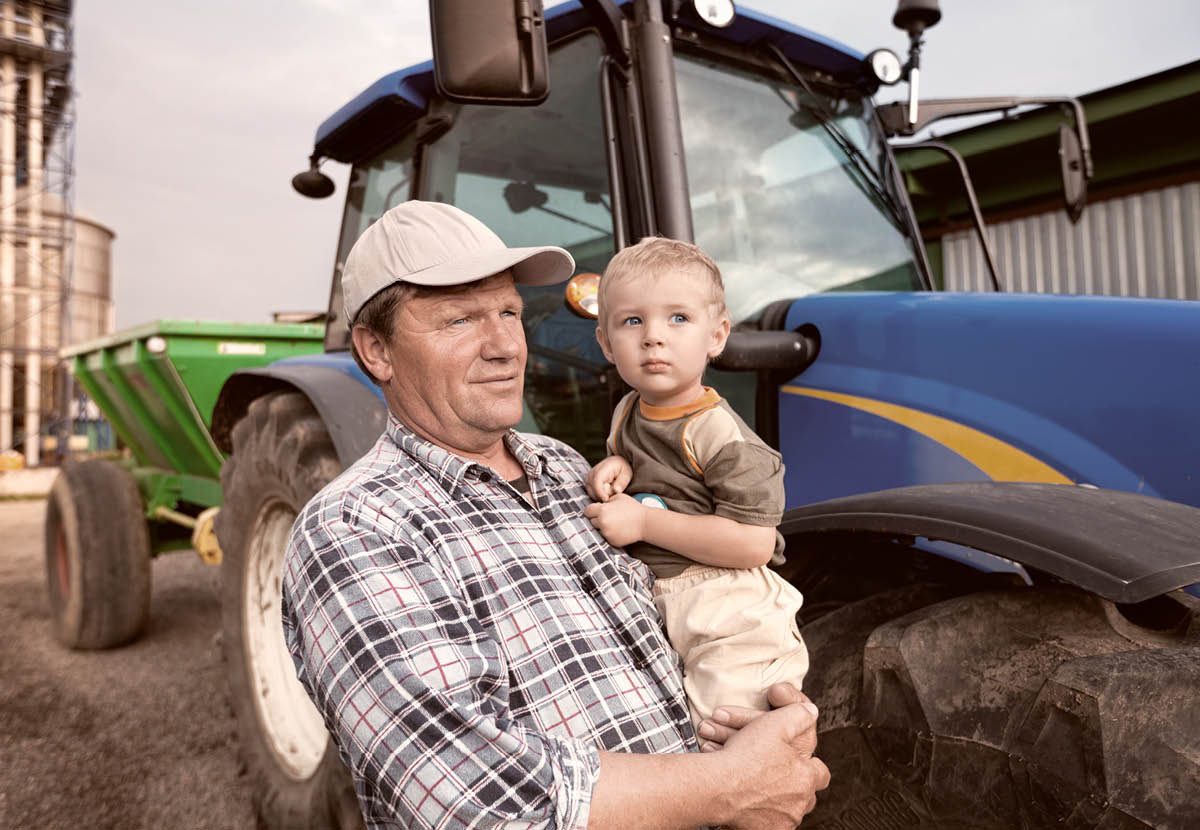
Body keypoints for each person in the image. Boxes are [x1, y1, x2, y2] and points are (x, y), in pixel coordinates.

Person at [281, 200, 829, 830]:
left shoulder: (568, 468)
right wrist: (734, 785)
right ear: (377, 350)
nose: (505, 347)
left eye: (509, 313)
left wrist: (763, 725)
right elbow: (474, 805)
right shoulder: (355, 529)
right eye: (460, 319)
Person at [583, 237, 810, 732]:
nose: (653, 337)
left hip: (729, 613)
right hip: (666, 601)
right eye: (632, 321)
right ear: (605, 342)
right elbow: (648, 463)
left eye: (678, 318)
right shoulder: (628, 411)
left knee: (725, 736)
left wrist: (644, 522)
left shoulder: (721, 437)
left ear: (717, 335)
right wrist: (616, 464)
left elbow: (754, 544)